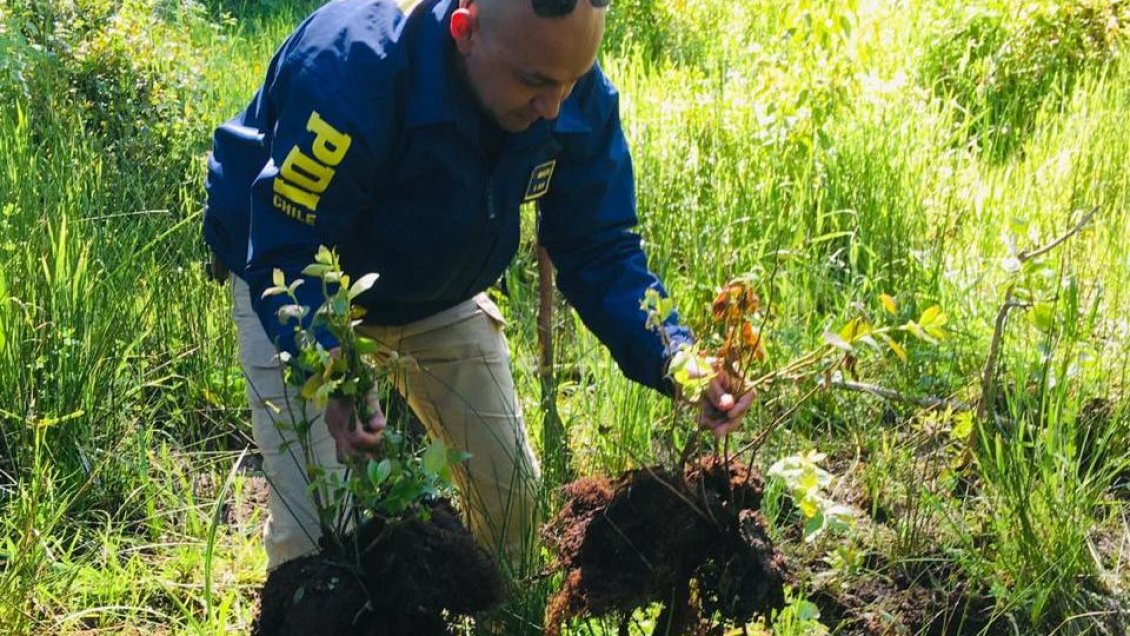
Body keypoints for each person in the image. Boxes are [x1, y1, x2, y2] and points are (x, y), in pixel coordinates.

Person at [203, 0, 752, 573]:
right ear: (464, 32)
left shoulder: (569, 90)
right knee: (319, 540)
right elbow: (289, 239)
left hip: (438, 287)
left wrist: (679, 359)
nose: (553, 107)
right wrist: (331, 368)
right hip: (297, 277)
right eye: (534, 81)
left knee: (512, 505)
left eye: (572, 80)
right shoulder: (355, 70)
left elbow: (601, 248)